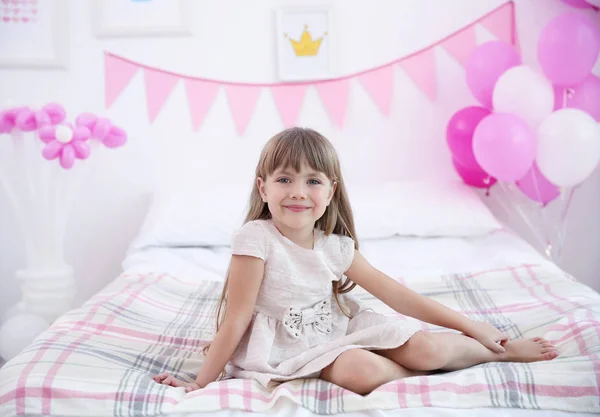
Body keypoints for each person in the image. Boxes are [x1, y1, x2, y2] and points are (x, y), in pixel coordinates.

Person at [154, 127, 558, 395]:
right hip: (283, 346)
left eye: (312, 181)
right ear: (263, 188)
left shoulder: (334, 246)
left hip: (336, 329)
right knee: (359, 373)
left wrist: (471, 325)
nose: (298, 191)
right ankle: (417, 379)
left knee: (428, 349)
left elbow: (397, 295)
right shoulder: (255, 239)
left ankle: (495, 352)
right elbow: (237, 318)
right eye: (284, 179)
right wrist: (201, 382)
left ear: (330, 192)